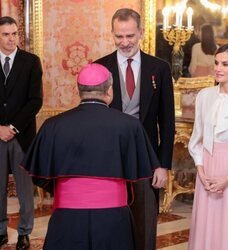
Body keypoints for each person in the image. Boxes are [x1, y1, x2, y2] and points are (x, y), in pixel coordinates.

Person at [21, 63, 162, 250]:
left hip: (67, 218)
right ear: (109, 90)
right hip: (113, 218)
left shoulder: (52, 125)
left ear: (78, 90)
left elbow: (40, 177)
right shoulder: (129, 126)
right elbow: (137, 171)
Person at [95, 8, 175, 250]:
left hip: (147, 157)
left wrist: (163, 164)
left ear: (140, 32)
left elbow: (167, 121)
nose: (125, 42)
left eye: (130, 35)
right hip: (110, 158)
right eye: (119, 36)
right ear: (112, 34)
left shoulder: (159, 68)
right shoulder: (100, 67)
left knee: (145, 220)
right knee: (111, 219)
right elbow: (95, 120)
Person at [188, 43, 228, 250]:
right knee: (207, 224)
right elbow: (197, 139)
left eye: (225, 64)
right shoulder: (205, 96)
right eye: (216, 63)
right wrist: (201, 169)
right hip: (207, 168)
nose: (218, 68)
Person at [0, 16, 43, 249]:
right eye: (6, 34)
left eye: (14, 34)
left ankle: (25, 232)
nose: (11, 38)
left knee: (25, 189)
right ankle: (0, 231)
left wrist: (13, 127)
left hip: (22, 136)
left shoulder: (31, 62)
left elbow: (35, 101)